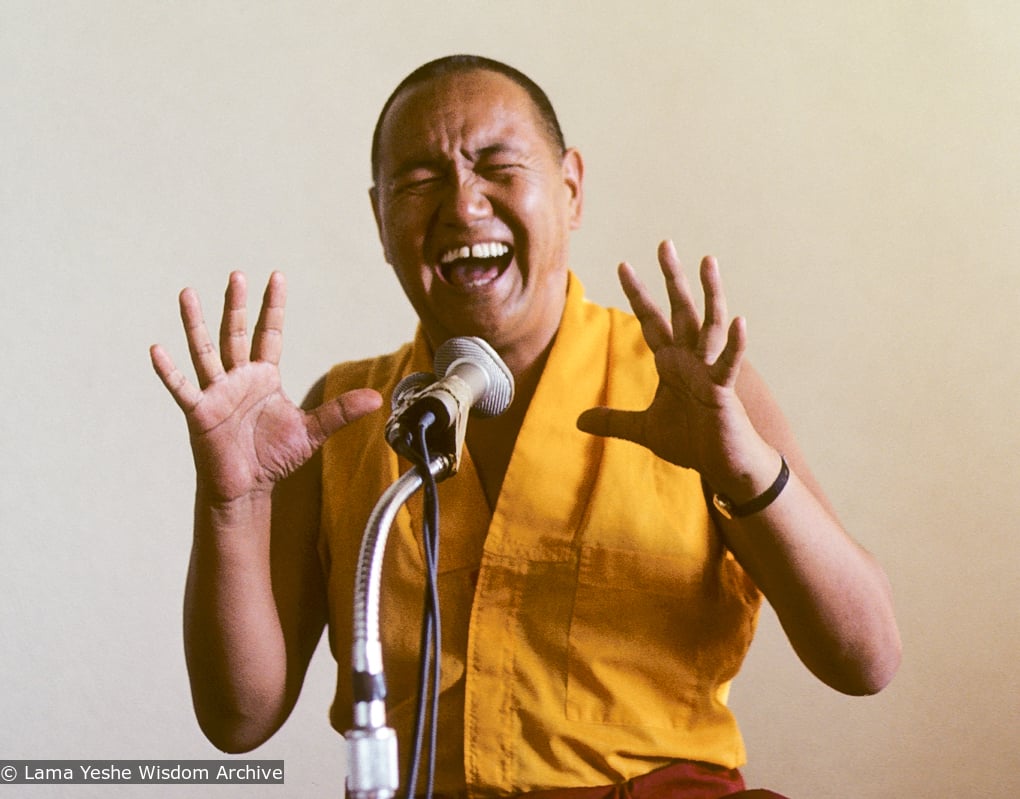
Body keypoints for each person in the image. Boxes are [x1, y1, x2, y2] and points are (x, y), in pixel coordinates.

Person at [150, 55, 901, 799]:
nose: (464, 206)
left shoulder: (686, 387)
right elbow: (238, 718)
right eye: (418, 181)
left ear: (571, 188)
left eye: (498, 167)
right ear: (379, 218)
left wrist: (746, 472)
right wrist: (230, 504)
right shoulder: (347, 414)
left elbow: (865, 659)